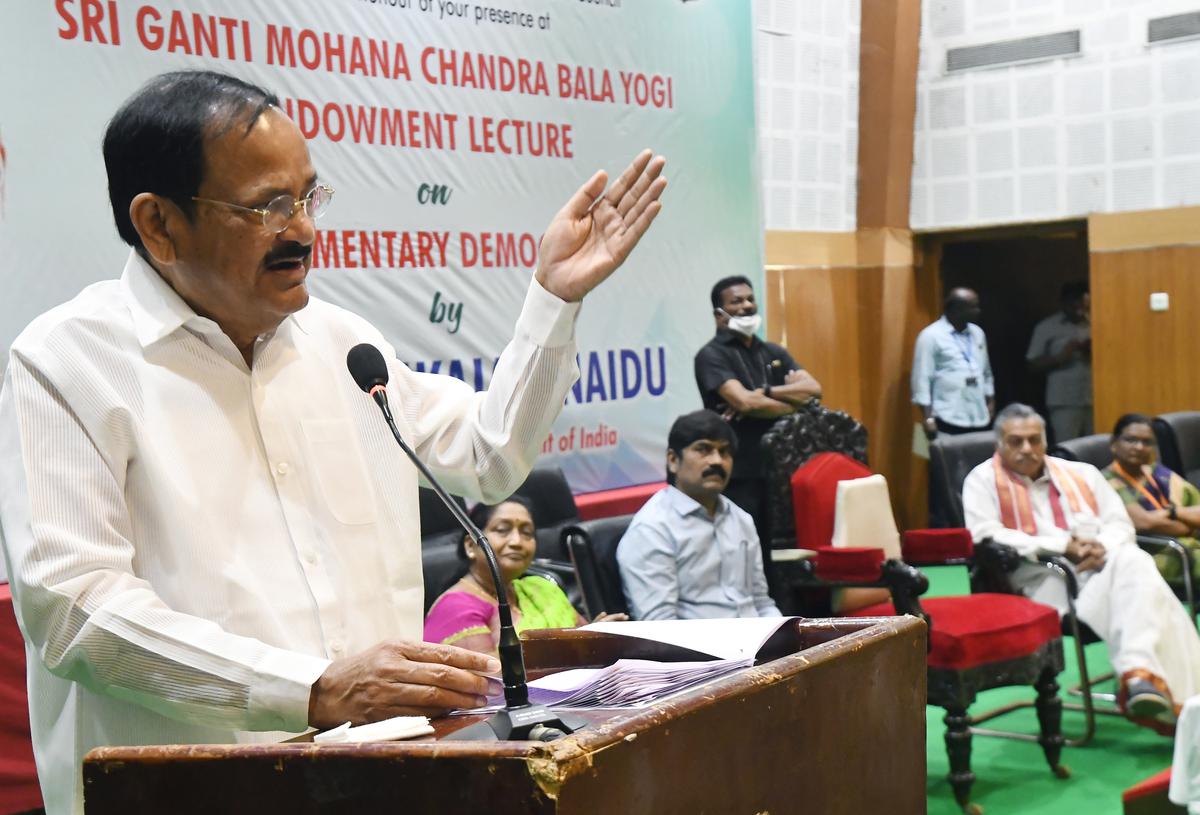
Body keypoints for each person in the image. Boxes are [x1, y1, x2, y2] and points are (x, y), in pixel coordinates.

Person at [0, 70, 666, 814]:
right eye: (267, 206)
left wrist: (554, 299)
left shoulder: (344, 346)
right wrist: (309, 688)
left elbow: (491, 452)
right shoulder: (68, 361)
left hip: (380, 781)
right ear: (159, 223)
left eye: (308, 196)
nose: (304, 231)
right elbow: (76, 608)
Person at [963, 403, 1200, 734]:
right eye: (1016, 441)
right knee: (1145, 584)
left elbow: (1120, 525)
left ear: (1046, 440)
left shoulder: (1082, 474)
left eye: (1035, 440)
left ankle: (1141, 677)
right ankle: (1170, 694)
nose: (1027, 449)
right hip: (1043, 587)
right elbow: (985, 534)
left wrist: (1101, 546)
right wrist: (1062, 547)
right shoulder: (982, 480)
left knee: (1131, 560)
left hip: (1101, 573)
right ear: (999, 443)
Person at [693, 276, 821, 554]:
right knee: (748, 549)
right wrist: (793, 402)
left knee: (786, 549)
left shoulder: (773, 351)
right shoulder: (711, 356)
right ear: (719, 314)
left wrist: (765, 391)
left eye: (750, 299)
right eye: (736, 301)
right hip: (741, 472)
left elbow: (813, 389)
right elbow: (745, 403)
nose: (747, 306)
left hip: (784, 469)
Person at [616, 410, 781, 621]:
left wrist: (785, 638)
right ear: (673, 460)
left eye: (724, 452)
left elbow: (761, 603)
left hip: (758, 646)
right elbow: (660, 625)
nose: (717, 461)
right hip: (699, 651)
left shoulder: (741, 519)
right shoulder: (652, 529)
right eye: (703, 449)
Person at [424, 497, 625, 654]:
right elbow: (492, 683)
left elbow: (581, 638)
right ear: (470, 545)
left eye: (527, 533)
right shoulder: (455, 609)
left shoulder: (541, 587)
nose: (517, 541)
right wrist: (580, 645)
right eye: (502, 530)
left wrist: (598, 635)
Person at [1101, 413, 1200, 582]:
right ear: (1114, 444)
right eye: (1130, 440)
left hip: (1184, 544)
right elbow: (1144, 522)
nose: (1139, 447)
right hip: (1150, 552)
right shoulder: (1107, 481)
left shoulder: (1158, 473)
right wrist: (1188, 526)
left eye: (1146, 442)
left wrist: (1173, 512)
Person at [912, 287, 995, 440]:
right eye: (973, 307)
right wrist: (927, 418)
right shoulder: (931, 336)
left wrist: (990, 403)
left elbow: (986, 372)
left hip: (978, 414)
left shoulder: (978, 333)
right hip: (947, 415)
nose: (978, 310)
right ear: (956, 309)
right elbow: (922, 379)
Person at [1027, 281, 1092, 442]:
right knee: (1068, 447)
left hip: (1095, 399)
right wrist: (1061, 357)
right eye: (1074, 307)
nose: (1080, 312)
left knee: (1096, 447)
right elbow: (1031, 364)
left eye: (1084, 308)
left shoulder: (1097, 323)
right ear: (1064, 303)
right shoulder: (1047, 327)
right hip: (1064, 401)